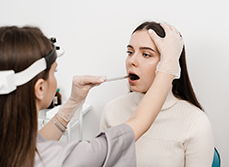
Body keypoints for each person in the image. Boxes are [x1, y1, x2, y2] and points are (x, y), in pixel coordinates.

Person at [0, 24, 183, 167]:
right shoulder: (63, 158)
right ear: (39, 89)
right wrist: (169, 64)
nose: (132, 60)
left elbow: (33, 148)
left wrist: (73, 102)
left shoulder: (12, 144)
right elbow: (137, 124)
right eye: (55, 72)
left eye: (146, 54)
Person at [100, 21, 215, 167]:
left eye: (146, 54)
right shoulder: (112, 110)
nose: (132, 61)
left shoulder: (196, 123)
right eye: (130, 52)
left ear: (171, 63)